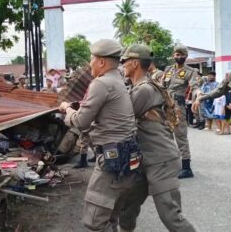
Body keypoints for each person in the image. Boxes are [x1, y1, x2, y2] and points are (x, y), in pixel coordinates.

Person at [59, 39, 140, 232]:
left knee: (95, 221)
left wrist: (67, 109)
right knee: (111, 217)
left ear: (101, 62)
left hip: (112, 160)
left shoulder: (101, 83)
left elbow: (80, 122)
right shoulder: (118, 81)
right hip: (128, 156)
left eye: (92, 60)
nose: (90, 65)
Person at [118, 44, 196, 232]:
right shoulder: (139, 87)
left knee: (171, 217)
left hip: (161, 161)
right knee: (126, 209)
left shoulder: (143, 90)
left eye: (124, 62)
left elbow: (120, 119)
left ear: (135, 63)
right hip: (144, 161)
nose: (122, 66)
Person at [161, 44, 201, 179]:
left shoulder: (191, 71)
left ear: (186, 56)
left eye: (181, 55)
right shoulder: (168, 70)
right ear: (173, 56)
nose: (179, 57)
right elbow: (161, 86)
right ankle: (171, 164)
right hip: (165, 106)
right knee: (166, 135)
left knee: (180, 136)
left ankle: (186, 167)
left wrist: (198, 95)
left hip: (178, 107)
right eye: (177, 55)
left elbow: (195, 87)